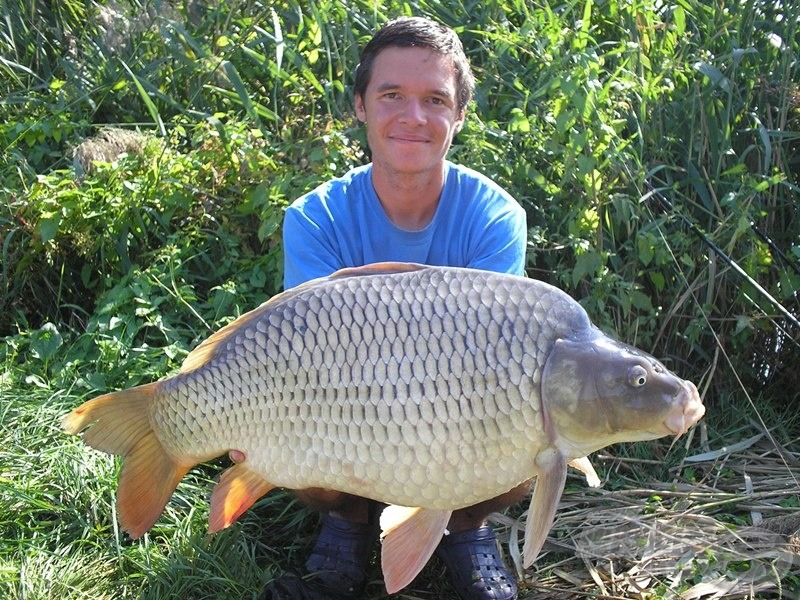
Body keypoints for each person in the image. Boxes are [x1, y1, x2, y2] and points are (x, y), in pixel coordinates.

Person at [262, 16, 528, 600]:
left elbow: (491, 365)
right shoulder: (316, 216)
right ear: (360, 105)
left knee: (531, 426)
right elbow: (306, 360)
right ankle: (348, 522)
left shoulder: (493, 216)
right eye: (391, 96)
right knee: (281, 418)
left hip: (458, 413)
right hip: (345, 409)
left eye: (435, 99)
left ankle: (465, 527)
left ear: (458, 115)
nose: (413, 117)